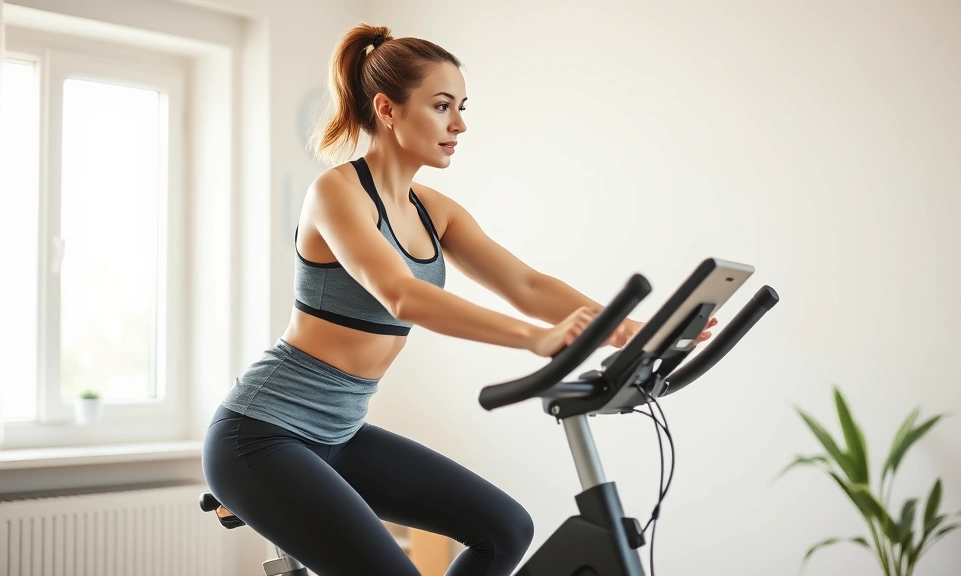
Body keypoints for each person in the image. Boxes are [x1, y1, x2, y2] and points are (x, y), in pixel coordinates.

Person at [201, 23, 716, 576]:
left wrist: (627, 328)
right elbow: (402, 295)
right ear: (388, 108)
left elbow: (527, 285)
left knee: (506, 530)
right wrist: (532, 338)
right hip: (260, 433)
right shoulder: (336, 194)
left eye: (462, 106)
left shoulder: (434, 209)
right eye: (443, 105)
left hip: (340, 433)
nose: (460, 124)